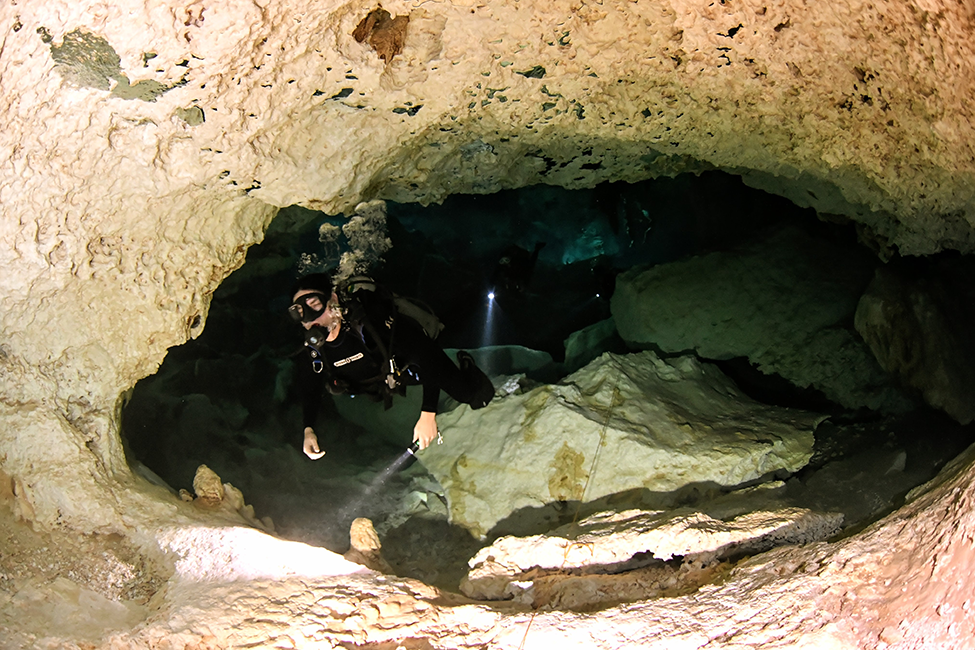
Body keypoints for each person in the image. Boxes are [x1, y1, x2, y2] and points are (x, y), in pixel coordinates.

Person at [289, 273, 495, 459]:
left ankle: (466, 356)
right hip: (384, 379)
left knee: (475, 397)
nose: (310, 319)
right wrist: (308, 428)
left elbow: (426, 354)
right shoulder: (314, 350)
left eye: (315, 304)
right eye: (299, 312)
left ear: (333, 300)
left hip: (410, 364)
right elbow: (311, 386)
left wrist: (428, 413)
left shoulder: (369, 323)